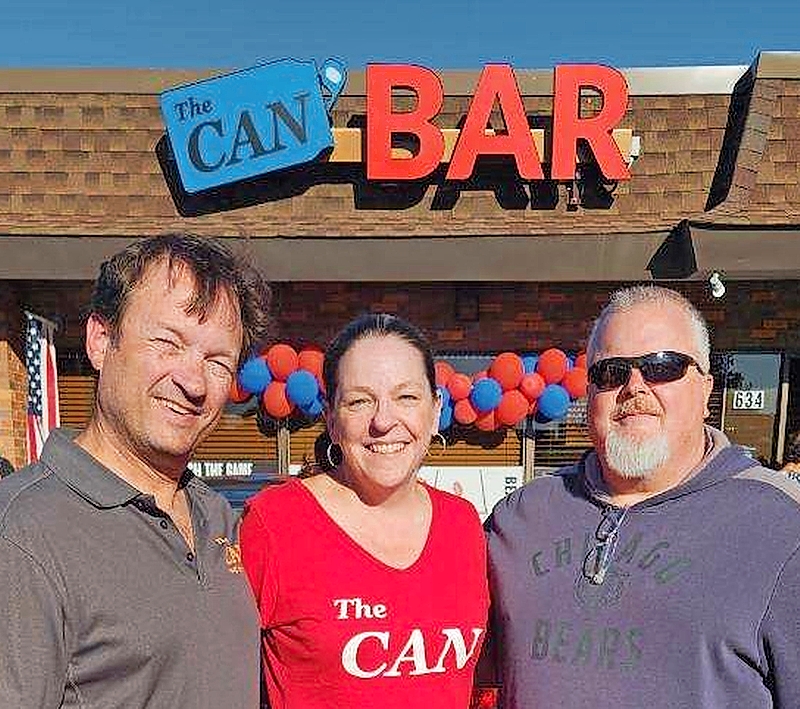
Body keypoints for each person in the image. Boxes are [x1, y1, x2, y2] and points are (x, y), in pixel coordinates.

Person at [484, 285, 800, 708]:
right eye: (611, 372)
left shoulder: (781, 528)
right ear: (591, 393)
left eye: (662, 366)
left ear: (706, 390)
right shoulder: (519, 520)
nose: (634, 387)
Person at [0, 233, 271, 708]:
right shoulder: (22, 534)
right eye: (167, 343)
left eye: (217, 361)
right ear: (102, 341)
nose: (192, 382)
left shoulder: (222, 519)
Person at [240, 313, 489, 709]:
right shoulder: (275, 523)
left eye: (406, 397)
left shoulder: (463, 525)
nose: (384, 421)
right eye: (359, 401)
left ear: (435, 407)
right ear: (331, 418)